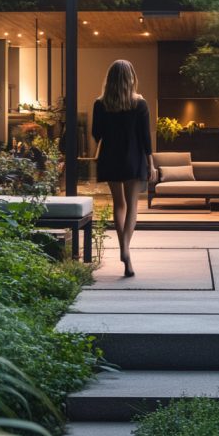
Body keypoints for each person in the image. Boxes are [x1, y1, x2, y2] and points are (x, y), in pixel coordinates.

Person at [92, 59, 152, 277]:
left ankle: (123, 248)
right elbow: (145, 138)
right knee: (132, 205)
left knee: (119, 204)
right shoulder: (140, 104)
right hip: (133, 158)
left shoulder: (100, 104)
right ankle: (126, 249)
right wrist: (151, 164)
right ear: (131, 78)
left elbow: (96, 134)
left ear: (110, 79)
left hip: (110, 158)